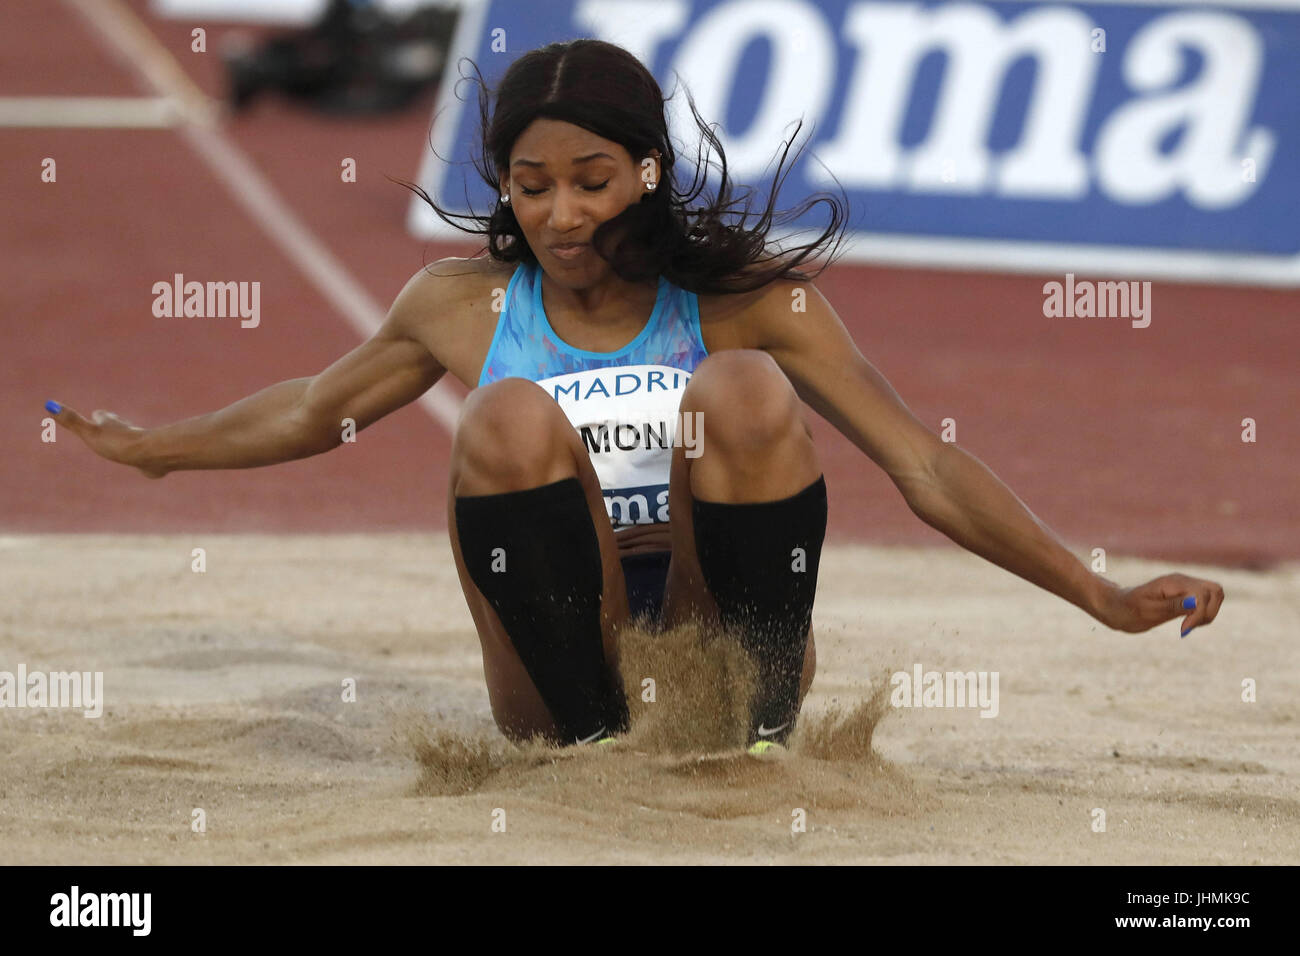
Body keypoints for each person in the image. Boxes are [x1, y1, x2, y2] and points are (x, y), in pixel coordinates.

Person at [47, 39, 1224, 755]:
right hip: (567, 655)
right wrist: (158, 450)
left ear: (647, 172)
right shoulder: (460, 303)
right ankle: (596, 756)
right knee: (505, 418)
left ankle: (760, 740)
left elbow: (921, 463)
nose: (561, 215)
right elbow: (316, 408)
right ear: (504, 185)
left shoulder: (751, 302)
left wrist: (1098, 592)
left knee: (745, 390)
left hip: (715, 629)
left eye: (592, 183)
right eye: (532, 184)